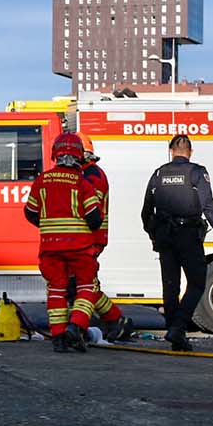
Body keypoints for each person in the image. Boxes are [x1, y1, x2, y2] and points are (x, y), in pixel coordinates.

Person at [141, 134, 213, 352]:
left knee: (170, 285)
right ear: (190, 152)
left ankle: (174, 330)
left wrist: (153, 234)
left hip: (165, 235)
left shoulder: (158, 173)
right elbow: (207, 204)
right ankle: (179, 327)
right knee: (197, 282)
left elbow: (146, 210)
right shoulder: (196, 172)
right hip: (188, 234)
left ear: (171, 151)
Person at [23, 133, 104, 353]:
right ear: (79, 155)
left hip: (50, 248)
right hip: (80, 248)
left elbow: (29, 213)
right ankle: (76, 327)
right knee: (86, 286)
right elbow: (95, 218)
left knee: (57, 289)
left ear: (55, 154)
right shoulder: (81, 182)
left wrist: (49, 226)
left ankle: (58, 338)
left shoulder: (42, 180)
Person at [80, 137, 135, 342]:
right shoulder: (86, 173)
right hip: (86, 238)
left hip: (91, 239)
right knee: (86, 285)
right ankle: (114, 320)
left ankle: (116, 320)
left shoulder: (92, 175)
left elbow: (89, 208)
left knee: (83, 285)